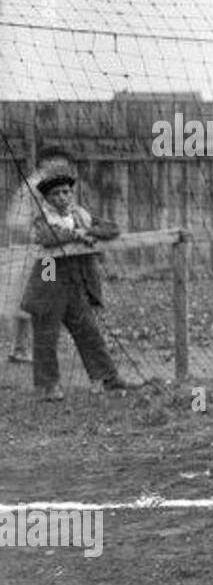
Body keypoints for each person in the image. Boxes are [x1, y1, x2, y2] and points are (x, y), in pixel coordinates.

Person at [20, 167, 137, 400]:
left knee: (89, 330)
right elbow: (47, 237)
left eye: (66, 192)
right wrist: (76, 235)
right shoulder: (42, 218)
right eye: (56, 194)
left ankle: (105, 378)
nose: (62, 197)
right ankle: (48, 386)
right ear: (47, 199)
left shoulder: (80, 216)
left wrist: (86, 229)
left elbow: (112, 228)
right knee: (46, 333)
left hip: (75, 280)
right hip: (49, 274)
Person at [4, 144, 77, 364]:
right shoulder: (35, 186)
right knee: (37, 298)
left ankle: (23, 348)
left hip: (43, 254)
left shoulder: (51, 185)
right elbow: (16, 222)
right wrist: (45, 234)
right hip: (32, 254)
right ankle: (27, 348)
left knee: (36, 298)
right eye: (60, 163)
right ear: (47, 163)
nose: (65, 168)